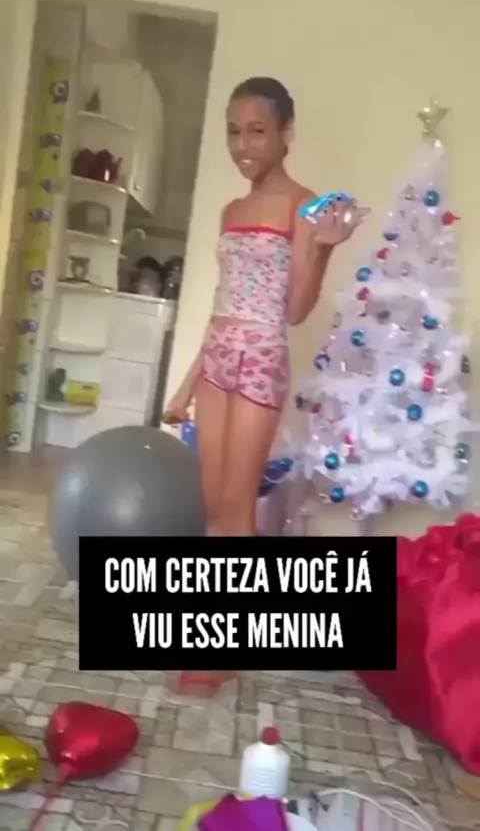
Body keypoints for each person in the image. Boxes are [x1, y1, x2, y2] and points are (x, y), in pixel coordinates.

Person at [164, 77, 364, 694]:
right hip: (218, 358)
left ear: (285, 133)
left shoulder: (302, 206)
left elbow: (296, 310)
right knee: (213, 511)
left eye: (256, 131)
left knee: (236, 510)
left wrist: (324, 250)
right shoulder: (230, 211)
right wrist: (187, 382)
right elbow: (220, 304)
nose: (243, 145)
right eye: (234, 131)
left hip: (260, 358)